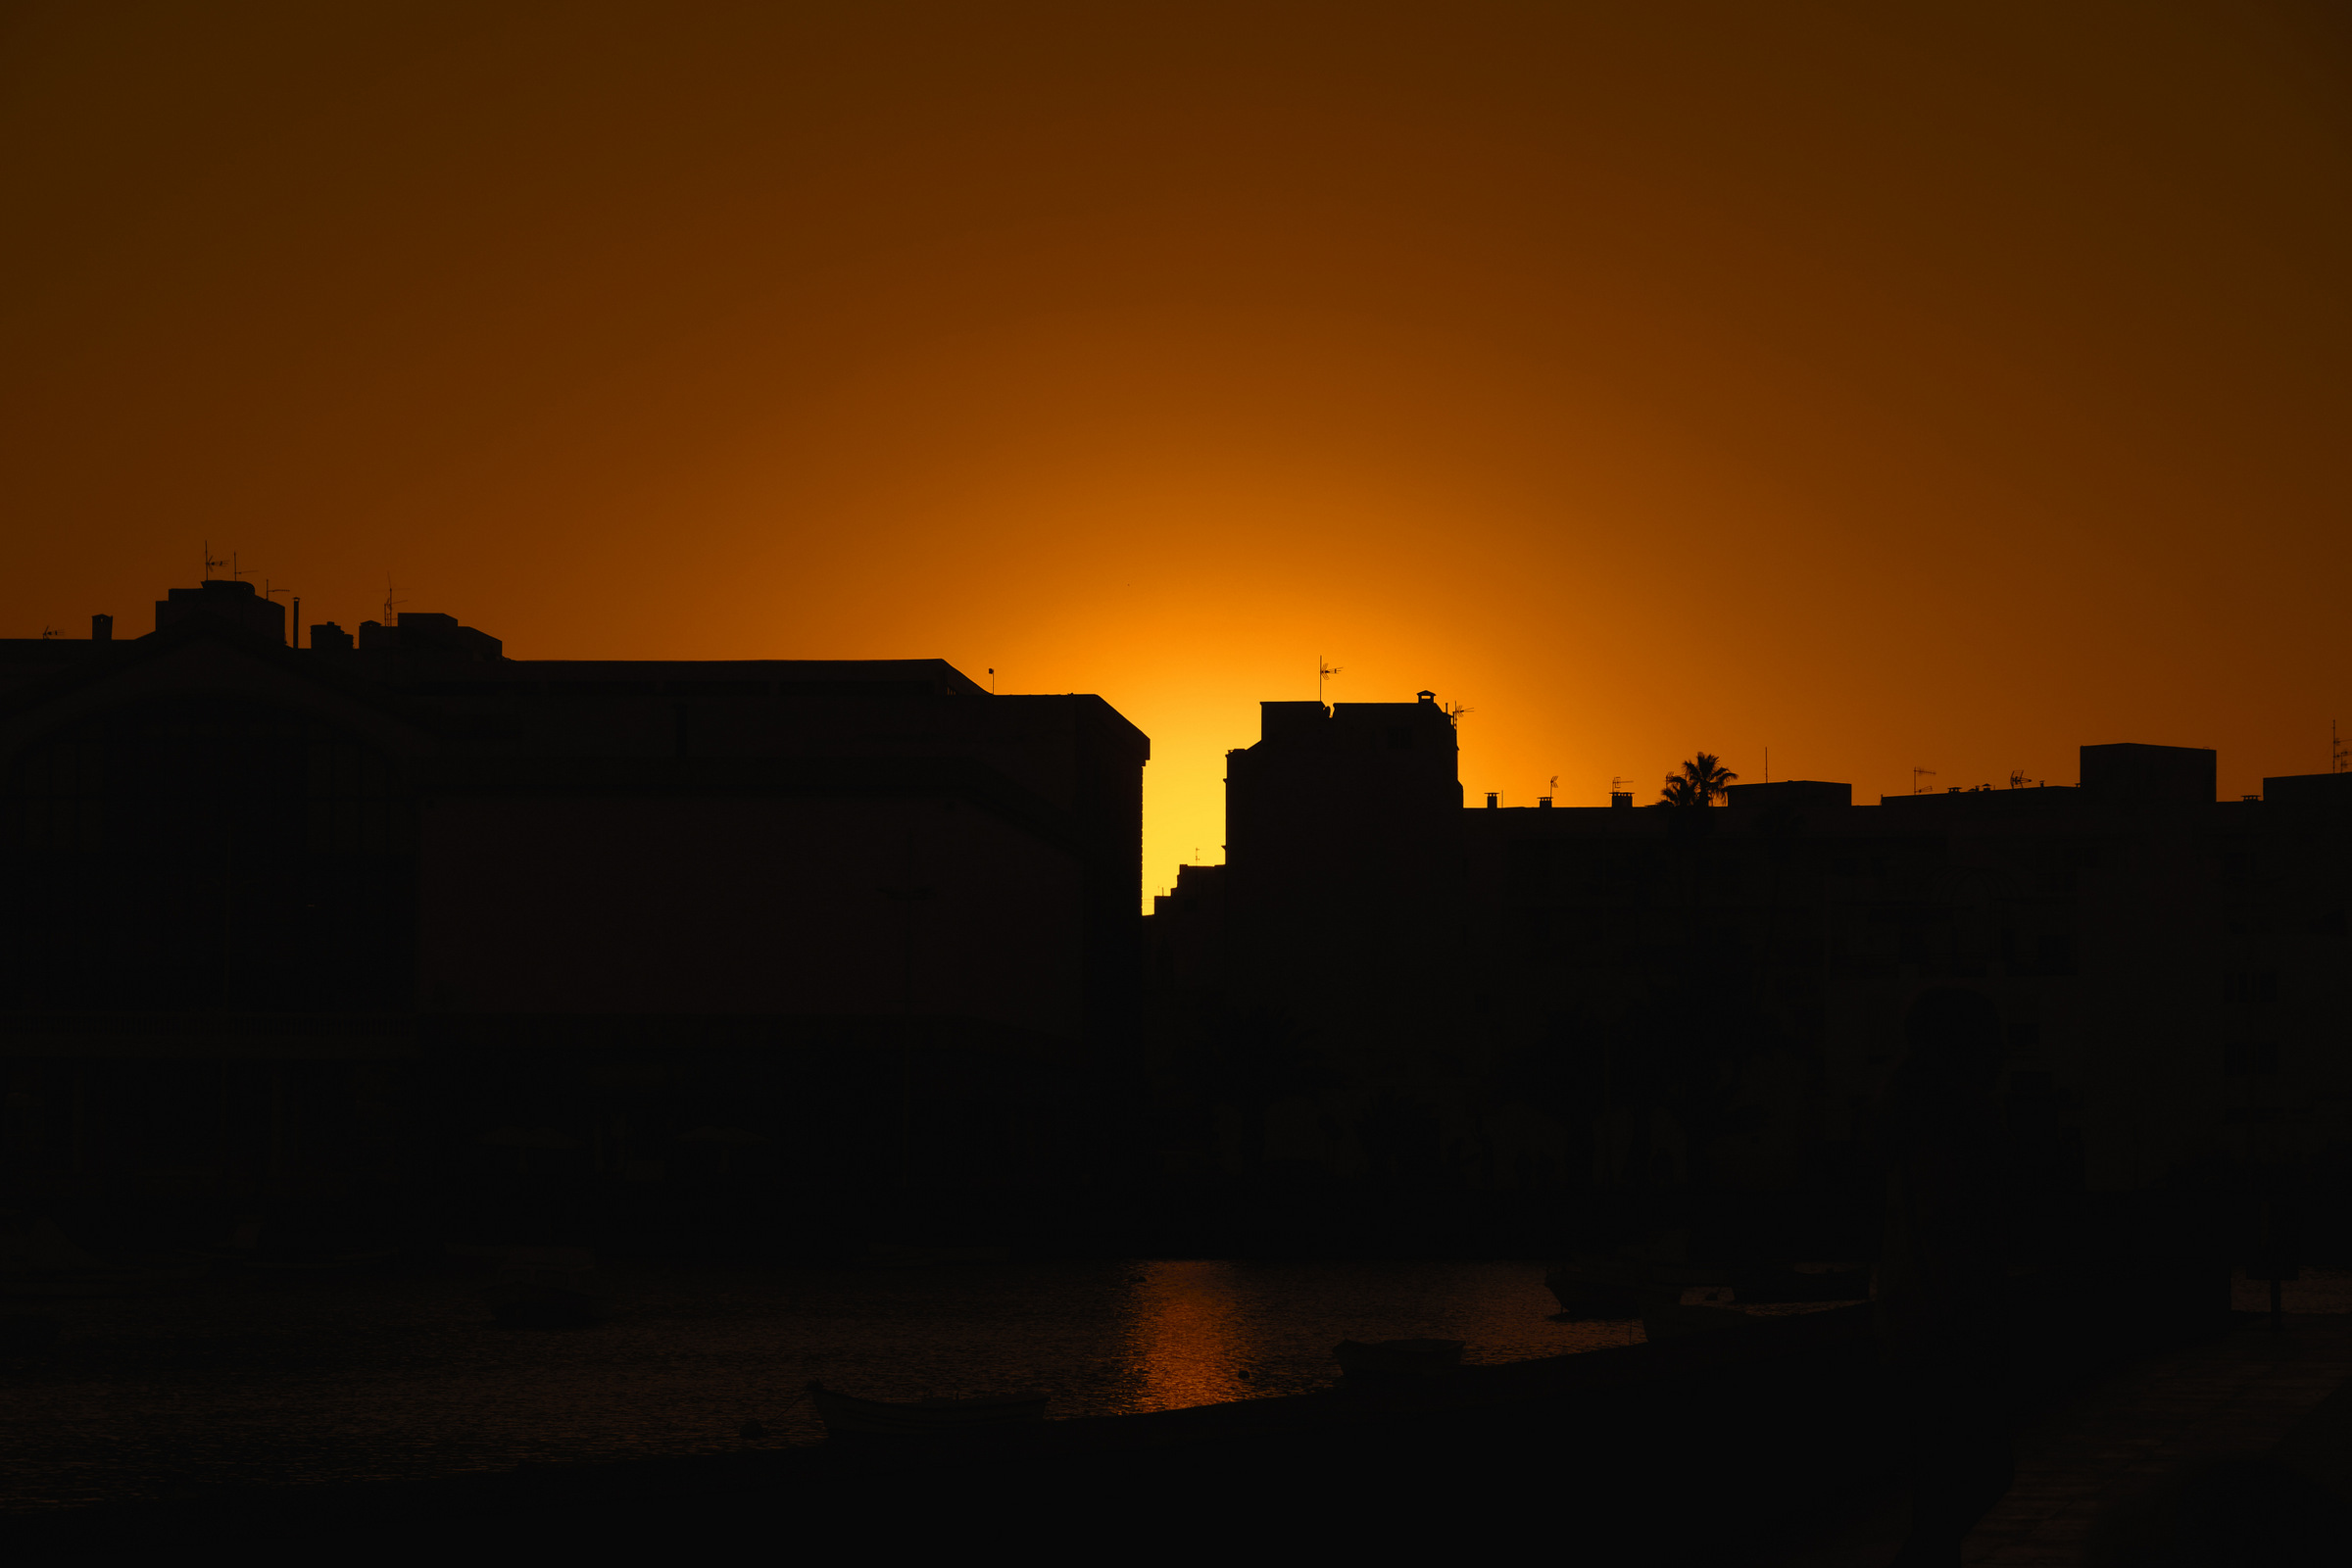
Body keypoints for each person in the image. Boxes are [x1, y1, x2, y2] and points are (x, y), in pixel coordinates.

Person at [1874, 987, 2015, 1565]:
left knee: (1944, 1492)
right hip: (1944, 1327)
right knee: (1971, 1477)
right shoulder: (1954, 1123)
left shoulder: (1915, 1114)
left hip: (1917, 1324)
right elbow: (1952, 1230)